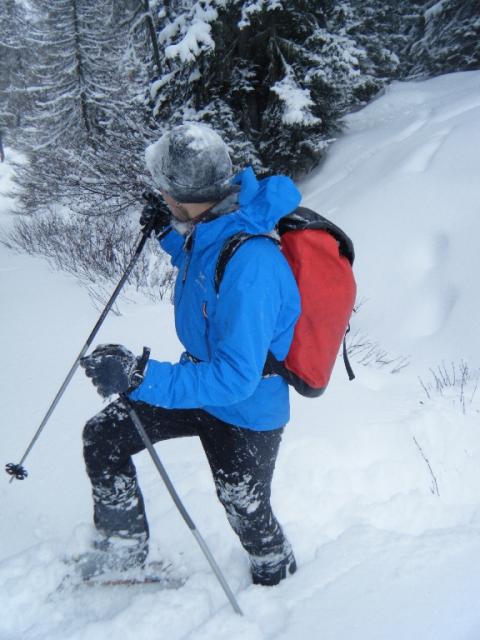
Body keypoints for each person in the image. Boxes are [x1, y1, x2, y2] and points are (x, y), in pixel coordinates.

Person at [79, 122, 302, 586]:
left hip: (246, 408)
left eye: (163, 191)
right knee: (105, 436)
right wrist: (166, 234)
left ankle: (278, 579)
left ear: (182, 192)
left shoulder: (253, 264)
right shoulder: (215, 224)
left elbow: (236, 378)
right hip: (200, 386)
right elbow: (202, 265)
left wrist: (139, 375)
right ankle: (121, 552)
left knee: (246, 510)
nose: (159, 197)